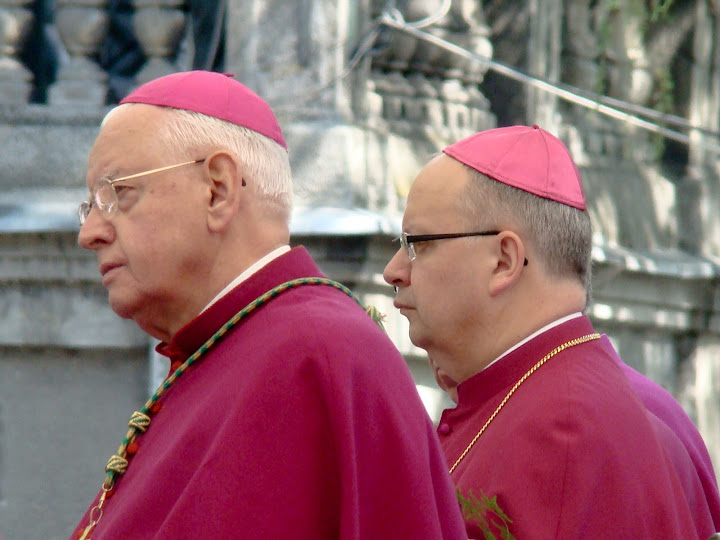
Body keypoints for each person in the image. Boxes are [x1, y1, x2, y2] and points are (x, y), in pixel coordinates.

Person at [71, 70, 467, 539]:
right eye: (89, 206)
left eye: (118, 194)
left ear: (217, 189)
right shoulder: (213, 349)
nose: (88, 234)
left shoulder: (320, 353)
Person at [383, 124, 706, 539]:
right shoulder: (542, 401)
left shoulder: (565, 432)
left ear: (504, 260)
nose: (393, 271)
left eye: (417, 244)